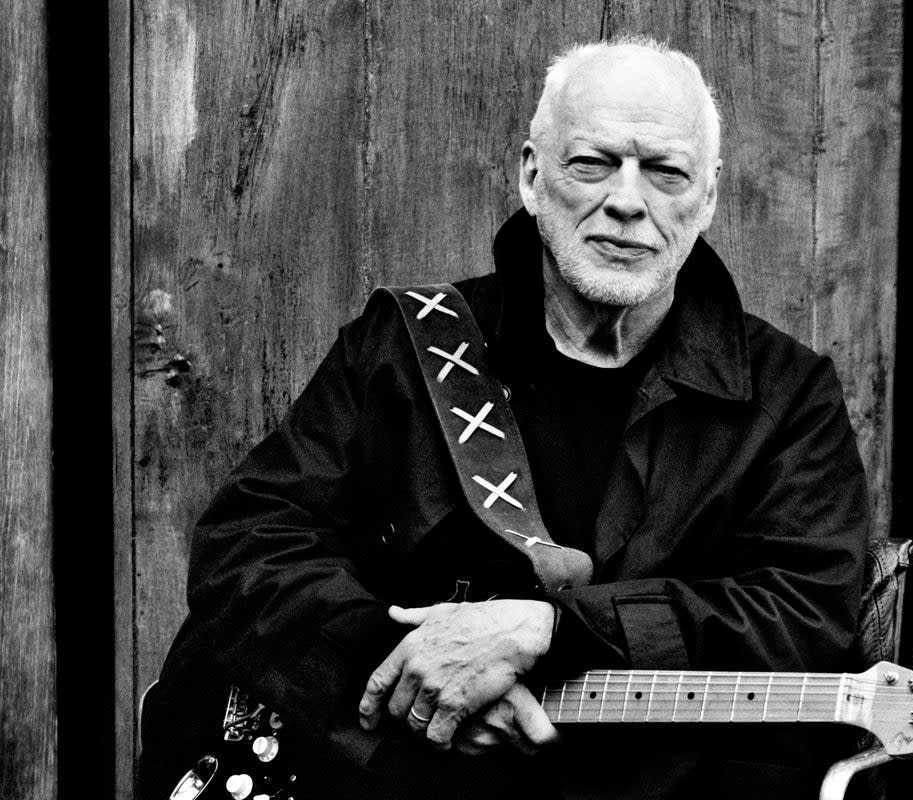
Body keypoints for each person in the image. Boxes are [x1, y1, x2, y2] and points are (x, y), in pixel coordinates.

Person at [142, 35, 870, 800]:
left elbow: (806, 612)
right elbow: (247, 548)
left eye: (666, 170)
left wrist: (550, 629)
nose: (628, 200)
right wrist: (422, 672)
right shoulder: (403, 343)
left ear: (709, 197)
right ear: (532, 176)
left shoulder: (786, 394)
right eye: (593, 162)